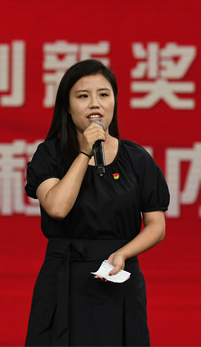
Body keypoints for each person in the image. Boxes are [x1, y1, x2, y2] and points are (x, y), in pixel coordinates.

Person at [24, 59, 169, 346]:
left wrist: (123, 254)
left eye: (104, 94)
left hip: (117, 276)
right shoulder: (49, 155)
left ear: (114, 101)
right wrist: (84, 152)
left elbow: (156, 226)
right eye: (83, 96)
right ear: (67, 106)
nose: (95, 104)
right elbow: (57, 208)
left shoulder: (137, 158)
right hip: (65, 278)